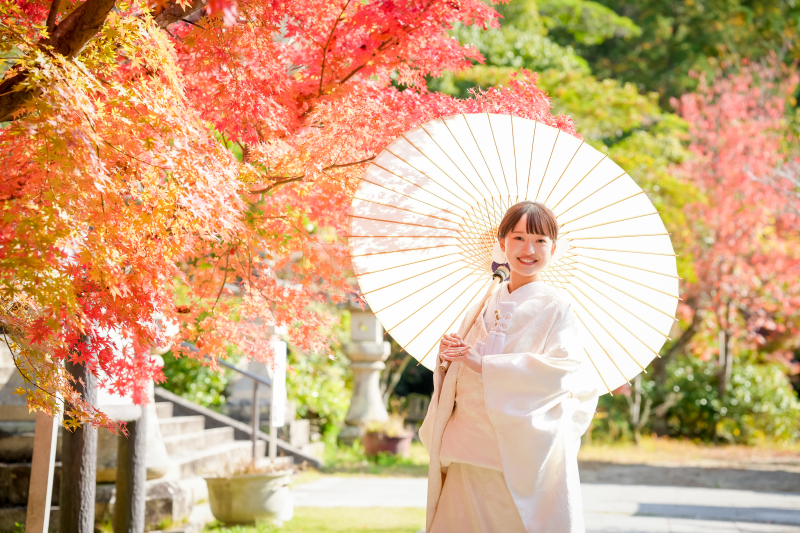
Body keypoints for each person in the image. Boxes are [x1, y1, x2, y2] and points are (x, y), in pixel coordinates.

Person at [419, 201, 600, 533]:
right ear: (501, 243)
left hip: (518, 452)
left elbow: (562, 371)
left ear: (553, 248)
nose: (528, 249)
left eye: (540, 240)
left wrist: (484, 365)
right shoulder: (484, 301)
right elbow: (462, 367)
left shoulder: (557, 308)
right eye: (518, 238)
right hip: (470, 445)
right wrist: (449, 356)